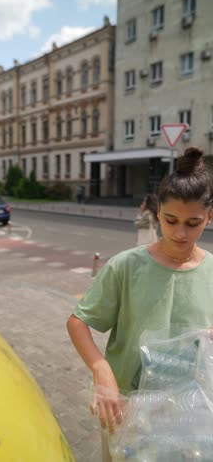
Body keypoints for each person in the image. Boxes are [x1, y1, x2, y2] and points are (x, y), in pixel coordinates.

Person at [67, 146, 213, 461]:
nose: (180, 232)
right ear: (157, 211)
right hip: (125, 407)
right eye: (171, 220)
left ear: (210, 217)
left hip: (191, 415)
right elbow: (78, 322)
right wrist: (101, 370)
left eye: (193, 223)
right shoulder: (126, 266)